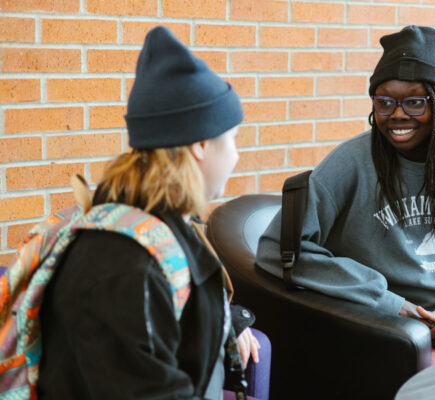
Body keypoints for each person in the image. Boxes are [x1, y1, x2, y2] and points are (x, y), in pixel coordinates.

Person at [256, 25, 435, 364]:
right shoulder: (349, 164)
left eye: (415, 102)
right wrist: (389, 302)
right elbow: (278, 251)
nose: (398, 114)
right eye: (385, 102)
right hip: (398, 326)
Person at [38, 26, 268, 399]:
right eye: (233, 139)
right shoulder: (127, 268)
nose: (237, 156)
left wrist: (228, 321)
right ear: (200, 144)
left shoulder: (155, 225)